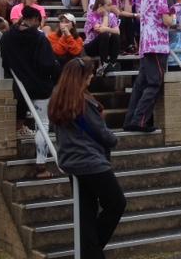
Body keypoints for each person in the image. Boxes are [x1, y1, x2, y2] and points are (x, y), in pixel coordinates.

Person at [48, 57, 126, 259]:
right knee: (116, 203)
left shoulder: (57, 98)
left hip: (71, 162)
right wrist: (114, 139)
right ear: (81, 77)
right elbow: (102, 134)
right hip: (92, 162)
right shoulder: (83, 101)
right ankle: (91, 252)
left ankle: (88, 251)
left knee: (85, 213)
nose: (91, 77)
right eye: (89, 74)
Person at [0, 6, 60, 176]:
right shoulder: (39, 38)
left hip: (19, 86)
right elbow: (47, 64)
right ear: (34, 19)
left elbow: (5, 62)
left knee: (31, 121)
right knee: (43, 124)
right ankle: (41, 165)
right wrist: (55, 76)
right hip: (40, 87)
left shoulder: (7, 37)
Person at [123, 0, 175, 132]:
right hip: (157, 45)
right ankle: (139, 121)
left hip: (146, 43)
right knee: (154, 84)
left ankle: (130, 120)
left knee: (140, 85)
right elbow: (167, 20)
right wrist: (174, 17)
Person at [84, 0, 121, 75]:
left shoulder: (111, 15)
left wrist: (107, 28)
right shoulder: (91, 15)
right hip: (91, 46)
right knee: (104, 35)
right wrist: (105, 16)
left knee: (116, 36)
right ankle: (104, 63)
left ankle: (112, 63)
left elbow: (117, 31)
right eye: (108, 5)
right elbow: (101, 31)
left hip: (105, 46)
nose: (111, 7)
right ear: (100, 6)